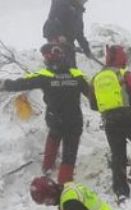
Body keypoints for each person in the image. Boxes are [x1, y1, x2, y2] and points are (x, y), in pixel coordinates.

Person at [1, 44, 90, 183]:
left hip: (55, 119)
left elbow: (22, 83)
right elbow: (92, 94)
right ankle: (64, 184)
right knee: (69, 154)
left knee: (53, 137)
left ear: (48, 59)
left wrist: (5, 84)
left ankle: (47, 169)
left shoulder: (44, 76)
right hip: (74, 120)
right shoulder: (76, 75)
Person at [90, 45, 131, 201]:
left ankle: (121, 192)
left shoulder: (96, 78)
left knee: (118, 155)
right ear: (121, 57)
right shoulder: (124, 73)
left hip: (109, 120)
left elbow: (93, 104)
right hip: (128, 116)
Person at [43, 0, 91, 66]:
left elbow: (79, 34)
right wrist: (59, 34)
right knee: (59, 61)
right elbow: (53, 18)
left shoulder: (78, 11)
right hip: (55, 36)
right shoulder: (62, 3)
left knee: (71, 64)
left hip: (68, 40)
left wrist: (86, 49)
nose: (84, 2)